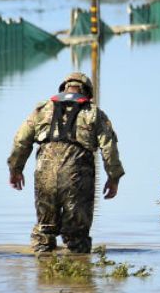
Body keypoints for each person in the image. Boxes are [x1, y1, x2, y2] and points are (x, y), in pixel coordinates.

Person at [7, 72, 125, 253]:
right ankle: (77, 277)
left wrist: (15, 169)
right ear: (88, 93)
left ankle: (43, 275)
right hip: (77, 179)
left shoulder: (42, 110)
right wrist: (114, 177)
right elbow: (108, 148)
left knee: (44, 231)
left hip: (44, 177)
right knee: (77, 237)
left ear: (64, 88)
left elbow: (21, 141)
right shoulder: (94, 113)